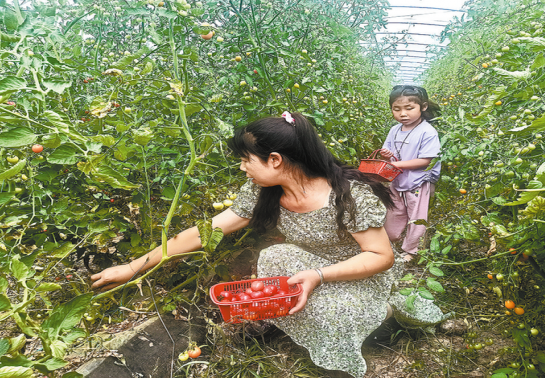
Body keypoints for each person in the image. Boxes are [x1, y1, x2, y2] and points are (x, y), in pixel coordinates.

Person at [91, 111, 448, 378]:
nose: (244, 168)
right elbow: (204, 231)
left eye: (247, 160)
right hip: (309, 266)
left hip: (359, 274)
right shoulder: (264, 190)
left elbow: (380, 256)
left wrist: (319, 276)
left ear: (275, 160)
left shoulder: (348, 194)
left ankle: (384, 311)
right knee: (275, 256)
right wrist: (134, 266)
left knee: (331, 314)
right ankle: (329, 311)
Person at [379, 85, 442, 262]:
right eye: (396, 109)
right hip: (398, 179)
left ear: (423, 107)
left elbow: (427, 160)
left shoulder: (427, 132)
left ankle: (413, 251)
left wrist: (397, 164)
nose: (403, 114)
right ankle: (391, 238)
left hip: (419, 181)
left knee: (417, 216)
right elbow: (387, 148)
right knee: (395, 209)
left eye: (409, 108)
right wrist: (386, 153)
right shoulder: (395, 130)